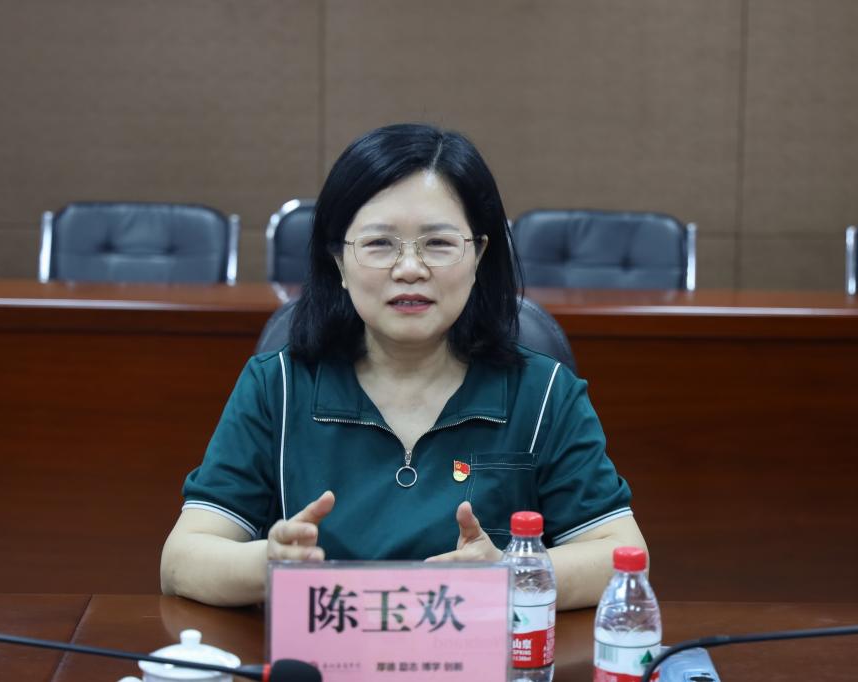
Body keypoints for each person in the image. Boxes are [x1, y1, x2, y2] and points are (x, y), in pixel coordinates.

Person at [160, 123, 646, 609]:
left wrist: (507, 575)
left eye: (438, 244)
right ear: (338, 262)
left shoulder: (543, 394)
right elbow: (181, 559)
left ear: (479, 256)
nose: (410, 268)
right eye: (379, 244)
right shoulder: (277, 386)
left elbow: (621, 555)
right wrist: (271, 564)